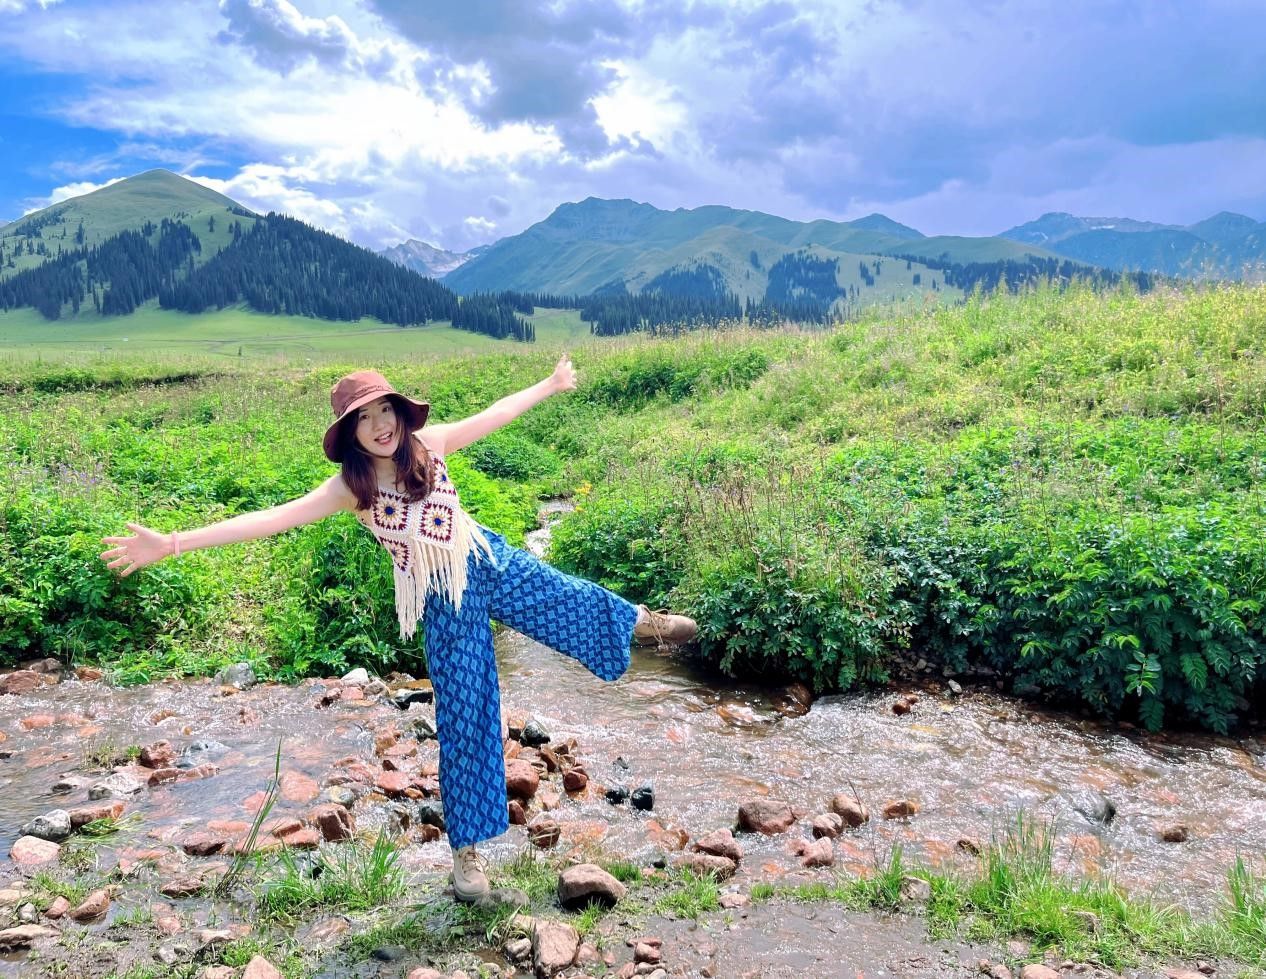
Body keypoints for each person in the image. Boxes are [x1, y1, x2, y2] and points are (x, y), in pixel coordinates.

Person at [99, 357, 697, 902]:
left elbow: (497, 413)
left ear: (400, 413)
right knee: (466, 718)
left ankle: (640, 623)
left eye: (385, 409)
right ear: (350, 433)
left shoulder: (429, 445)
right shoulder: (350, 489)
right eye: (365, 418)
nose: (380, 424)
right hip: (441, 603)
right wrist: (170, 543)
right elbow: (269, 520)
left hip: (484, 558)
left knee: (560, 593)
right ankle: (466, 858)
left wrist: (551, 384)